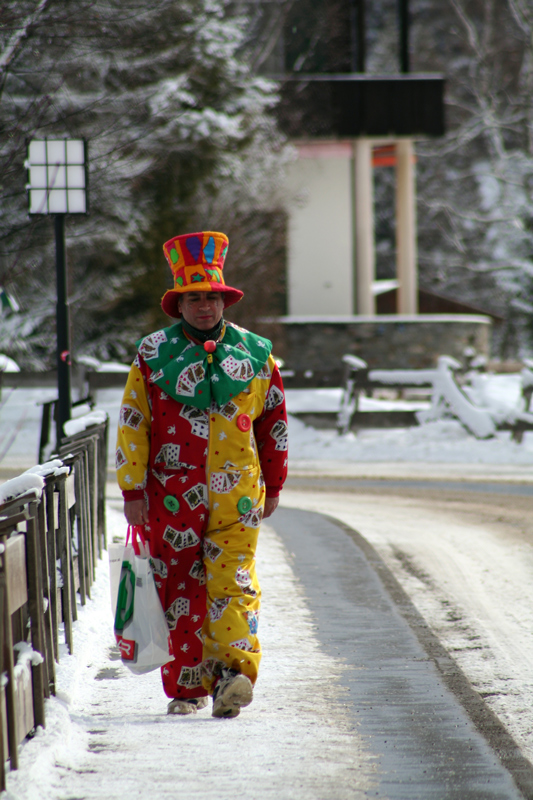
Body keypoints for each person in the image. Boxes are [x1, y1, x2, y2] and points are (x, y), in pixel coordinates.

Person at [116, 230, 288, 718]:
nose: (204, 306)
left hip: (238, 497)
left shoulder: (256, 355)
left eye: (211, 297)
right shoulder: (151, 357)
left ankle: (233, 676)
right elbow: (134, 424)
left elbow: (273, 423)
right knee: (179, 587)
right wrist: (132, 487)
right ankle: (188, 686)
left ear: (223, 299)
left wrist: (273, 484)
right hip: (170, 497)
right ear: (179, 304)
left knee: (231, 582)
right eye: (194, 298)